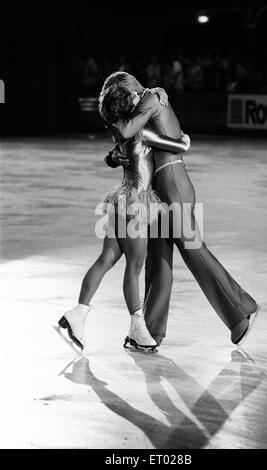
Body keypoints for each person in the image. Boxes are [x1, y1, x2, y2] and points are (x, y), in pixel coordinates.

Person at [102, 72, 260, 348]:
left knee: (192, 248)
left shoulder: (151, 98)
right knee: (158, 258)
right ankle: (150, 331)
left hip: (173, 182)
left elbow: (126, 130)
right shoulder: (148, 101)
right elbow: (131, 141)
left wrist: (117, 125)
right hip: (160, 189)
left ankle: (241, 309)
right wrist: (116, 156)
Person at [58, 85, 190, 351]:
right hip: (137, 204)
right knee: (134, 266)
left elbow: (115, 156)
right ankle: (137, 326)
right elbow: (180, 145)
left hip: (119, 200)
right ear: (130, 107)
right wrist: (183, 137)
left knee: (106, 259)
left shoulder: (119, 132)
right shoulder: (142, 131)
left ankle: (78, 313)